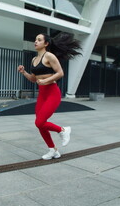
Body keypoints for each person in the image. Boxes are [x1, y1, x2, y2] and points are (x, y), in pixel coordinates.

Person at [17, 32, 82, 160]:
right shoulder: (34, 60)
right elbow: (34, 79)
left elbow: (60, 73)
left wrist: (46, 81)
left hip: (52, 93)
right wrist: (24, 72)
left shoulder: (49, 56)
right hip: (42, 94)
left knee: (40, 121)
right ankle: (53, 150)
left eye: (39, 40)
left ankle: (63, 130)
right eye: (35, 39)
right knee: (40, 124)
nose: (36, 42)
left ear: (46, 43)